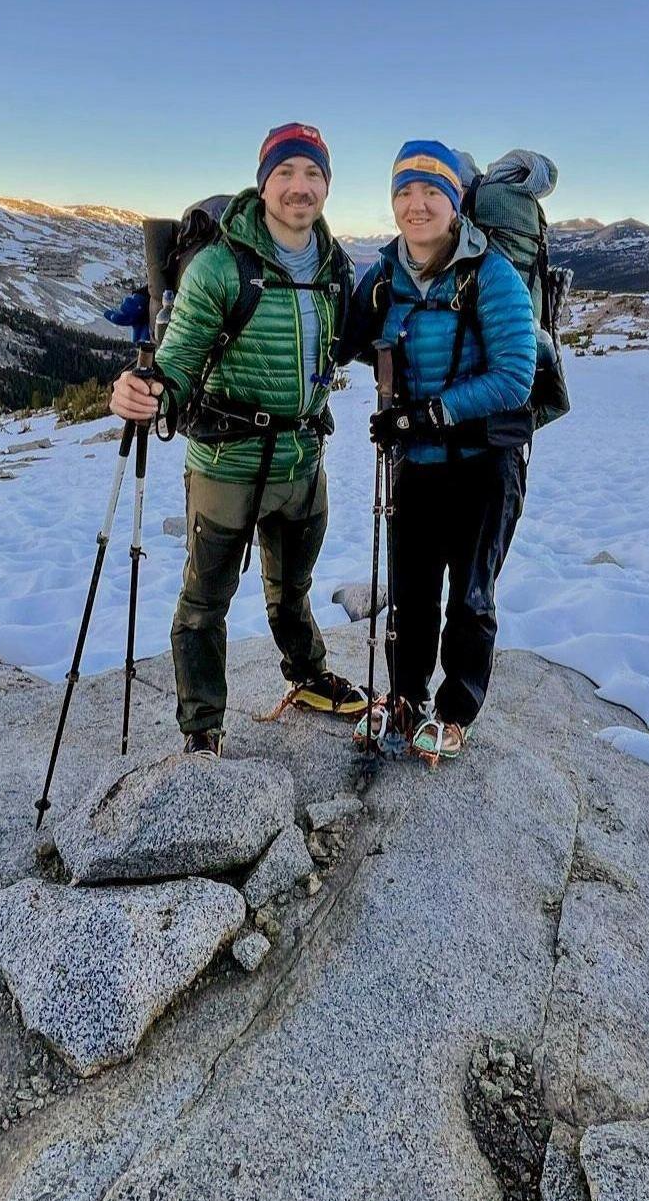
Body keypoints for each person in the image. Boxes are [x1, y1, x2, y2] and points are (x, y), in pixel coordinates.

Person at [110, 122, 365, 757]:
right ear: (264, 183)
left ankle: (305, 676)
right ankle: (202, 730)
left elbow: (355, 345)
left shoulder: (336, 267)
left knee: (293, 591)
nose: (299, 187)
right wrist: (143, 394)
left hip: (305, 464)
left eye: (312, 174)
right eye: (286, 173)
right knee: (204, 603)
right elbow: (178, 364)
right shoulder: (222, 268)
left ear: (327, 186)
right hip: (227, 467)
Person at [338, 139, 536, 761]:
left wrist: (428, 412)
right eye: (404, 192)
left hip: (485, 463)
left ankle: (455, 711)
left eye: (431, 192)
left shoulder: (491, 275)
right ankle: (403, 696)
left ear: (455, 204)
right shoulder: (385, 274)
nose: (416, 205)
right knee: (412, 589)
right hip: (416, 464)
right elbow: (345, 341)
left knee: (471, 594)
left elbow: (515, 377)